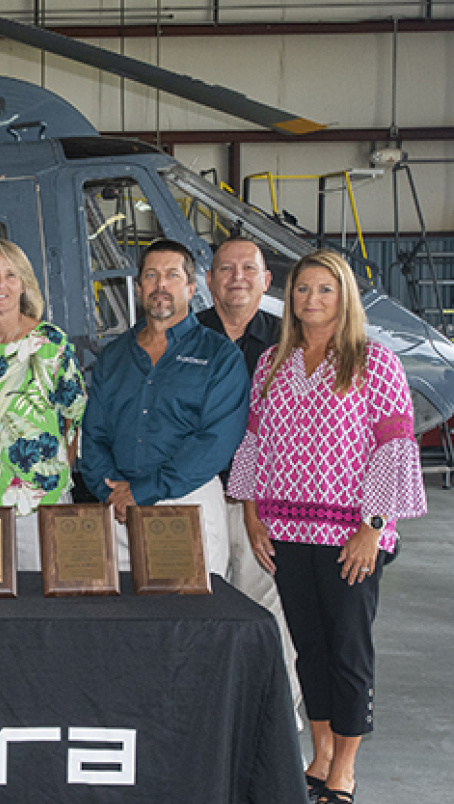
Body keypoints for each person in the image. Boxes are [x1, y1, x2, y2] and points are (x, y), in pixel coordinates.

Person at [228, 249, 426, 804]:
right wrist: (252, 514)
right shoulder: (272, 362)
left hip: (350, 535)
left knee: (348, 649)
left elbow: (393, 447)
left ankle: (345, 768)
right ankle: (317, 757)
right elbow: (258, 443)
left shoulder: (374, 361)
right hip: (287, 528)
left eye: (324, 290)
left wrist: (373, 527)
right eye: (302, 290)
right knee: (308, 647)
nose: (311, 300)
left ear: (345, 297)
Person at [80, 238, 249, 576]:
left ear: (190, 288)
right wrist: (110, 491)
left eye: (172, 275)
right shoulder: (114, 356)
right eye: (151, 276)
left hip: (187, 501)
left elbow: (215, 441)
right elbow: (94, 433)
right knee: (127, 615)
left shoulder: (220, 356)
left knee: (195, 620)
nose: (160, 285)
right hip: (119, 510)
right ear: (139, 287)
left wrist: (143, 492)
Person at [200, 236, 302, 719]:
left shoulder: (294, 341)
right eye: (225, 268)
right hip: (197, 497)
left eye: (248, 268)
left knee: (270, 615)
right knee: (201, 608)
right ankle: (209, 717)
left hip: (265, 506)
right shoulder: (184, 335)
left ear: (266, 281)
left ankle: (275, 721)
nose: (237, 277)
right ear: (209, 281)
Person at [0, 239, 86, 569]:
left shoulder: (51, 343)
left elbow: (74, 415)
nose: (1, 285)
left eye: (11, 275)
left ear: (24, 284)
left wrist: (54, 479)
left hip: (40, 502)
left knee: (44, 608)